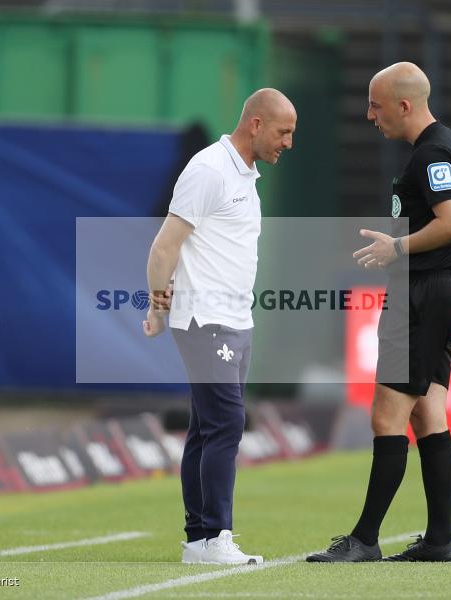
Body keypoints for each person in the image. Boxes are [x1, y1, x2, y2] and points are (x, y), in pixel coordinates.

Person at [307, 62, 451, 563]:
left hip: (421, 294)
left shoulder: (432, 154)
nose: (369, 115)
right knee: (428, 416)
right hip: (434, 292)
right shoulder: (434, 149)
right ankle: (439, 540)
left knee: (387, 415)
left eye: (376, 105)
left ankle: (364, 539)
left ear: (404, 105)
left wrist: (397, 248)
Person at [143, 88, 296, 565]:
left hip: (235, 320)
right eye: (283, 132)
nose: (288, 143)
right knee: (228, 422)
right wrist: (158, 307)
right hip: (203, 318)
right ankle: (214, 537)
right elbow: (164, 246)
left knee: (206, 428)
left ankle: (198, 540)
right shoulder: (208, 169)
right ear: (254, 123)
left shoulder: (246, 174)